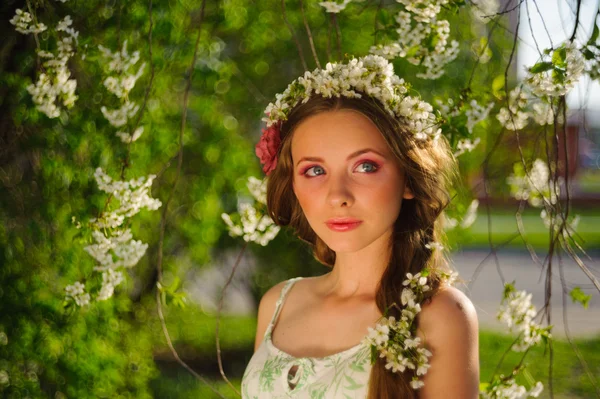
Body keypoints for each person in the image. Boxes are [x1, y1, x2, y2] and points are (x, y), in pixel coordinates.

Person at [241, 55, 479, 398]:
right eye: (314, 170)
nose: (337, 195)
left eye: (365, 167)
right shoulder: (277, 304)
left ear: (408, 179)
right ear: (292, 183)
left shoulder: (440, 316)